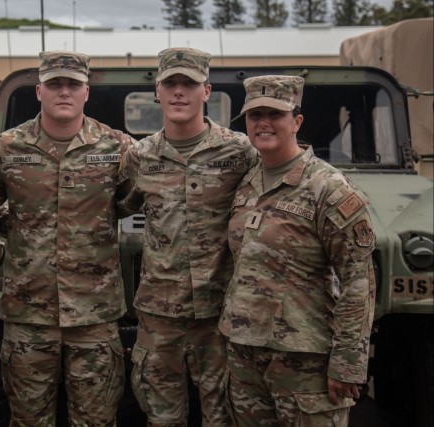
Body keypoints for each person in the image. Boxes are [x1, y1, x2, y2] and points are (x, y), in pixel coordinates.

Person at [0, 51, 134, 426]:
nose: (63, 91)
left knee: (96, 420)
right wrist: (22, 228)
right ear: (39, 91)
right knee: (28, 419)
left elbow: (132, 202)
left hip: (94, 317)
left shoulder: (117, 147)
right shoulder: (7, 148)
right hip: (28, 315)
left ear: (86, 91)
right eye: (54, 84)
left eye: (72, 84)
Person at [219, 75, 376, 426]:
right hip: (246, 355)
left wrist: (348, 363)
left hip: (305, 361)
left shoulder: (327, 188)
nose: (263, 123)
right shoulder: (246, 182)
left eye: (275, 114)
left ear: (297, 121)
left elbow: (358, 280)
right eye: (254, 115)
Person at [118, 47, 258, 426]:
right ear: (158, 92)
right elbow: (119, 206)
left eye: (189, 84)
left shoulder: (239, 151)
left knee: (224, 415)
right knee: (162, 417)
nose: (180, 92)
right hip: (159, 315)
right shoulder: (140, 156)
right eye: (171, 83)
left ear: (207, 91)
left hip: (219, 313)